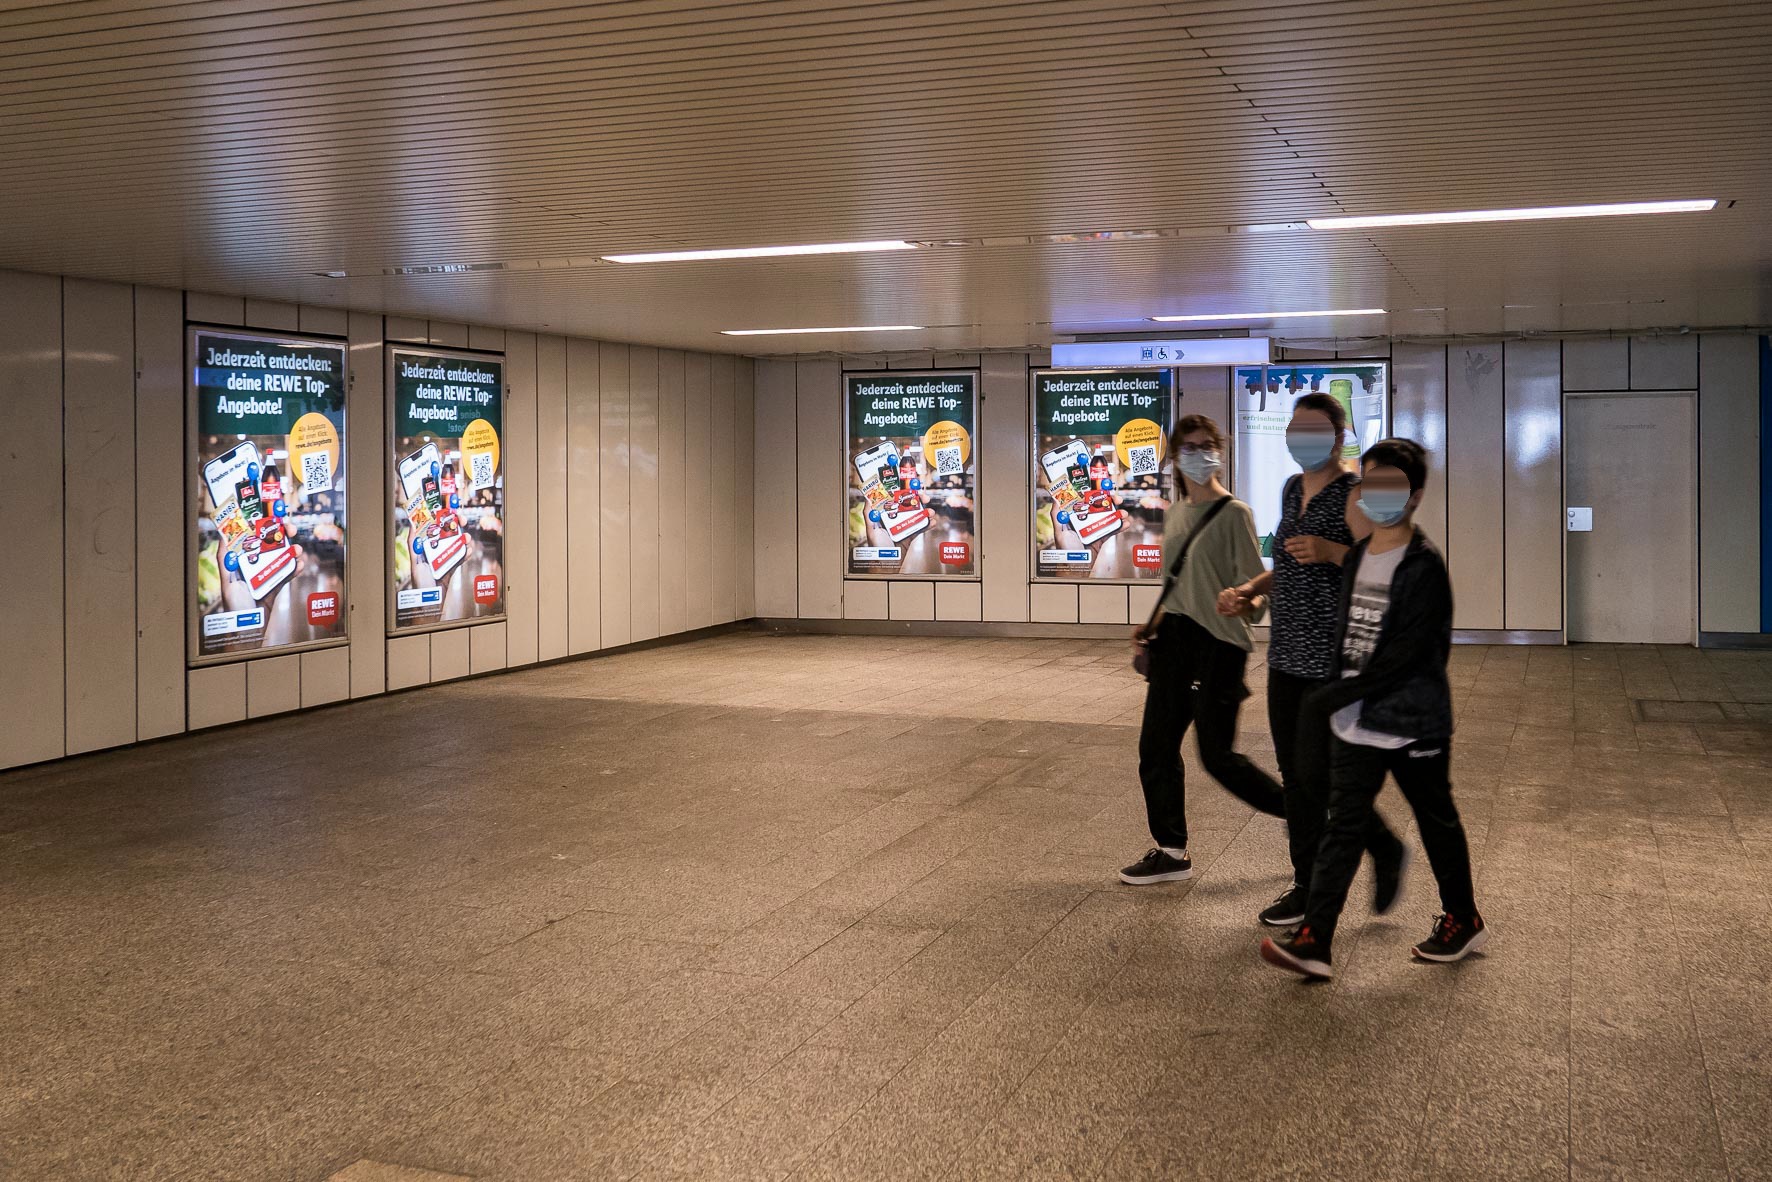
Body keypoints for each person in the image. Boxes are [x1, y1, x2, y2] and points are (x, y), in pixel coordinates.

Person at [1259, 438, 1488, 979]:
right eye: (1370, 483)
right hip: (1357, 720)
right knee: (1344, 826)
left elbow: (1409, 657)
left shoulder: (1422, 566)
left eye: (1391, 485)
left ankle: (1463, 917)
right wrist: (1336, 692)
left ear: (1415, 495)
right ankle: (1315, 939)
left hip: (1410, 722)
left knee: (1435, 819)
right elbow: (1347, 636)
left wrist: (1330, 696)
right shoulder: (1360, 555)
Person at [1216, 395, 1406, 926]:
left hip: (1334, 659)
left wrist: (1332, 552)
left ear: (1340, 437)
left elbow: (1386, 567)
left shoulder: (1356, 494)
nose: (1303, 438)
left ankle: (1379, 847)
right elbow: (1289, 563)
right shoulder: (1292, 488)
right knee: (1297, 778)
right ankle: (1307, 882)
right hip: (1285, 656)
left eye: (1315, 429)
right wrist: (1250, 589)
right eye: (1296, 429)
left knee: (1319, 777)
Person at [1120, 415, 1287, 885]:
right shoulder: (1175, 513)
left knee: (1218, 757)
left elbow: (1257, 592)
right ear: (1175, 458)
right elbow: (1178, 585)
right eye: (1189, 448)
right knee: (1155, 748)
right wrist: (1152, 624)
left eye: (1206, 445)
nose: (1199, 454)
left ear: (1220, 450)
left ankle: (1304, 813)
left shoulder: (1234, 513)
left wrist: (1244, 599)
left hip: (1219, 645)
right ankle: (1172, 851)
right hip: (1174, 640)